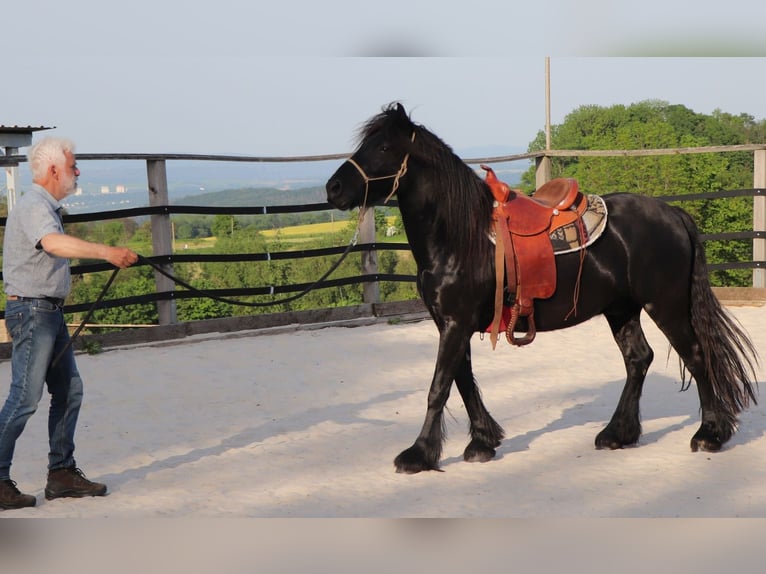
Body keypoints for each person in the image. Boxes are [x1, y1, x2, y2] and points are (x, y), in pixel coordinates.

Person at [0, 137, 138, 510]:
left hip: (46, 312)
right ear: (53, 170)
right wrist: (107, 252)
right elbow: (54, 244)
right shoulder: (34, 206)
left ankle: (61, 474)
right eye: (73, 166)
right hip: (33, 312)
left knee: (69, 391)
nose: (78, 172)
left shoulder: (44, 205)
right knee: (24, 399)